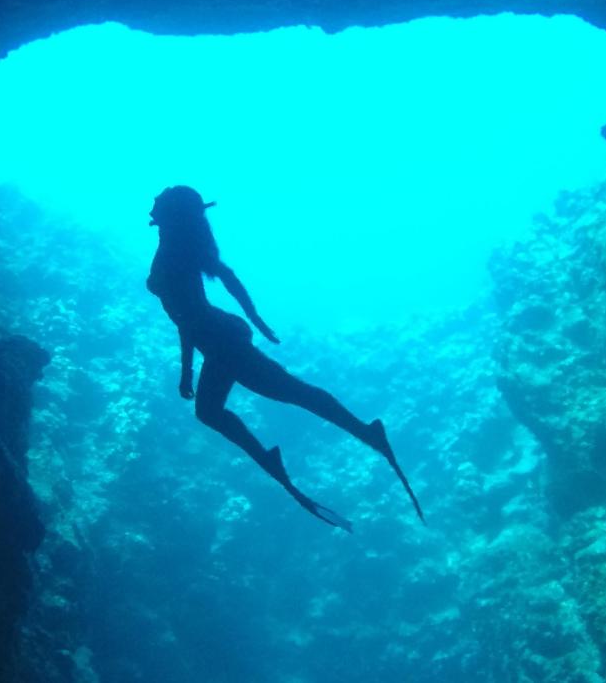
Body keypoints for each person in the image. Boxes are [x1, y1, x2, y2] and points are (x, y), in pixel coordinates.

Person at [144, 185, 424, 532]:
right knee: (256, 400)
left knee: (284, 393)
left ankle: (353, 436)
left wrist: (188, 371)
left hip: (221, 343)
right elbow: (222, 283)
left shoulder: (176, 253)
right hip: (219, 340)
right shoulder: (179, 248)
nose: (153, 205)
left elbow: (189, 318)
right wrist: (254, 319)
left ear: (174, 215)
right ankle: (353, 436)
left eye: (160, 202)